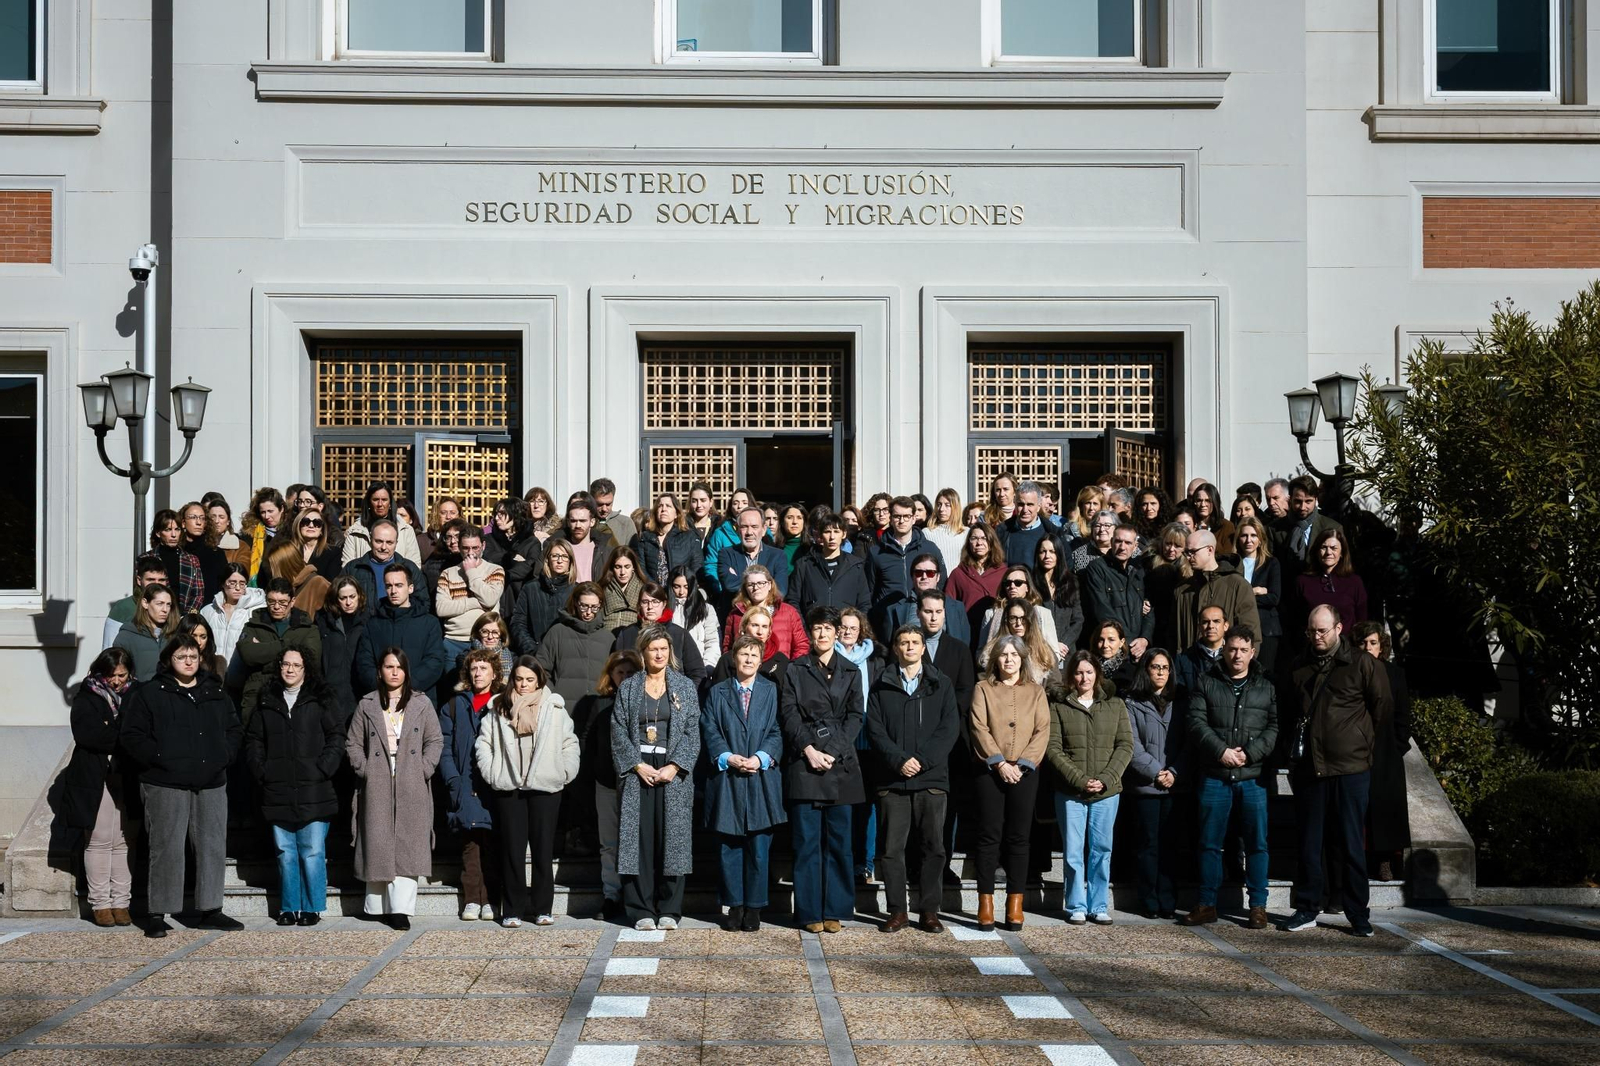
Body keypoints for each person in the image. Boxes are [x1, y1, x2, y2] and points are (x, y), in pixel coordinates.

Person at [119, 636, 245, 938]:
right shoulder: (151, 692)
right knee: (166, 846)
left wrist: (223, 756)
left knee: (212, 845)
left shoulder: (214, 691)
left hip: (210, 780)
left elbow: (233, 729)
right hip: (165, 782)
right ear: (169, 660)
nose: (188, 661)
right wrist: (158, 759)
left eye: (193, 656)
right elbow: (133, 735)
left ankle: (211, 909)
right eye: (181, 656)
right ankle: (157, 912)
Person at [1285, 605, 1392, 937]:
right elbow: (1291, 711)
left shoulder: (1362, 664)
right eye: (1311, 631)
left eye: (1322, 630)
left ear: (1338, 629)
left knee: (1351, 844)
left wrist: (1360, 744)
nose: (1316, 636)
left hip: (1350, 768)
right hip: (1311, 768)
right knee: (1309, 843)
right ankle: (1306, 907)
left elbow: (1382, 708)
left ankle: (1358, 913)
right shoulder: (1299, 665)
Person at [1182, 626, 1277, 929]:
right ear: (1224, 650)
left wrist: (1249, 754)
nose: (1237, 655)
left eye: (1243, 650)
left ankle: (1258, 906)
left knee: (1257, 844)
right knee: (1209, 843)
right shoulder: (1206, 681)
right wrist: (1220, 751)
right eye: (1232, 649)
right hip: (1215, 775)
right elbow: (1196, 722)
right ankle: (1206, 903)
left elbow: (1273, 727)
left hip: (1252, 777)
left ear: (1253, 652)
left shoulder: (1266, 686)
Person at [867, 625, 960, 934]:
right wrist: (899, 760)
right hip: (892, 780)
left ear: (923, 648)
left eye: (915, 642)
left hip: (931, 779)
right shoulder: (881, 684)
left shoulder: (941, 683)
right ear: (896, 648)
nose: (909, 647)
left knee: (934, 847)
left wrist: (922, 760)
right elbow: (875, 729)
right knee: (892, 849)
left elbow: (949, 728)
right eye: (903, 642)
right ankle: (897, 911)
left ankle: (929, 911)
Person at [780, 606, 866, 934]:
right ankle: (809, 911)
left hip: (840, 763)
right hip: (805, 763)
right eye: (817, 628)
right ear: (810, 633)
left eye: (828, 628)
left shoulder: (851, 670)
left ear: (837, 632)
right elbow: (788, 713)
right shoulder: (795, 669)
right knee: (807, 843)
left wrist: (830, 751)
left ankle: (835, 909)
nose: (822, 634)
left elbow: (856, 716)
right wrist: (809, 750)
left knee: (840, 843)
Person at [244, 647, 342, 927]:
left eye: (296, 665)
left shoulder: (320, 699)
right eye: (285, 664)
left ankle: (312, 907)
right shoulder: (267, 699)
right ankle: (289, 907)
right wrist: (262, 770)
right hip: (278, 788)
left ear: (305, 669)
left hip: (314, 788)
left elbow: (336, 735)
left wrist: (323, 767)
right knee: (285, 852)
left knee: (312, 850)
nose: (289, 670)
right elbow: (254, 740)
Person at [478, 655, 579, 928]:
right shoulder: (499, 706)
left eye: (530, 679)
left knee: (543, 850)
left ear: (539, 681)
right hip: (509, 787)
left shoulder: (554, 707)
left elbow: (569, 742)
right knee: (512, 850)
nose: (523, 684)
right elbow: (484, 743)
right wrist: (493, 773)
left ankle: (543, 908)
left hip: (545, 787)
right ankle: (513, 909)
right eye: (519, 679)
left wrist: (564, 772)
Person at [611, 626, 701, 930]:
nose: (659, 654)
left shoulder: (684, 686)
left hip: (671, 769)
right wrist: (636, 765)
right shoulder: (629, 688)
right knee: (638, 840)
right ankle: (641, 910)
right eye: (653, 649)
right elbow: (618, 731)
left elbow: (692, 731)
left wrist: (675, 766)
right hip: (638, 769)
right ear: (643, 652)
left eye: (664, 648)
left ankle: (669, 909)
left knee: (672, 839)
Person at [347, 647, 442, 930]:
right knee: (378, 839)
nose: (394, 672)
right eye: (389, 666)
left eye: (399, 667)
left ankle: (400, 909)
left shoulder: (421, 703)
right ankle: (377, 905)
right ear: (380, 671)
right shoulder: (367, 704)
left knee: (408, 842)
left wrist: (424, 768)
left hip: (411, 777)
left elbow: (435, 740)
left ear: (406, 671)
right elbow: (353, 742)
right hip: (377, 776)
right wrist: (364, 768)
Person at [701, 634, 787, 932]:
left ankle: (755, 907)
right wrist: (727, 756)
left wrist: (762, 757)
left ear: (761, 661)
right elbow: (709, 728)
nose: (748, 660)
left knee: (759, 848)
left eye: (754, 655)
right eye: (743, 654)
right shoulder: (718, 692)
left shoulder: (771, 690)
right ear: (734, 658)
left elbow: (777, 729)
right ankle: (734, 905)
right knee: (729, 847)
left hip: (761, 778)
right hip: (728, 778)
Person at [967, 635, 1050, 932]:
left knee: (1019, 838)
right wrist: (999, 762)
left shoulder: (1036, 692)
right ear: (996, 659)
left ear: (1022, 659)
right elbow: (978, 726)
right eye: (1004, 654)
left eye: (1014, 654)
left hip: (1025, 772)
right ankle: (986, 904)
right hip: (990, 771)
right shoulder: (983, 688)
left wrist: (1023, 764)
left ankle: (1015, 905)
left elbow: (1042, 729)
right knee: (989, 836)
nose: (1009, 659)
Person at [1046, 651, 1133, 926]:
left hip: (1107, 792)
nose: (1084, 678)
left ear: (1098, 674)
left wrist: (1106, 778)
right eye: (1079, 672)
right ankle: (1076, 905)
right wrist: (1080, 779)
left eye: (1089, 672)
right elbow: (1053, 748)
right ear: (1071, 675)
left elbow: (1125, 745)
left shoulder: (1115, 705)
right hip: (1071, 792)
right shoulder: (1059, 706)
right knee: (1073, 851)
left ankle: (1098, 905)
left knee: (1102, 850)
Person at [61, 648, 138, 926]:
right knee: (98, 839)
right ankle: (100, 903)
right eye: (110, 675)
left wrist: (119, 734)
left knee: (124, 840)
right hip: (94, 774)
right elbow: (89, 735)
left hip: (127, 774)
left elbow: (142, 730)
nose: (116, 681)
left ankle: (122, 902)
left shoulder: (137, 694)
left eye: (121, 675)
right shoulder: (86, 696)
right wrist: (124, 736)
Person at [439, 648, 503, 923]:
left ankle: (490, 899)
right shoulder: (454, 705)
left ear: (494, 674)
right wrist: (453, 779)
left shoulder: (504, 702)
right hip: (464, 782)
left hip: (494, 783)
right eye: (474, 668)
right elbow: (444, 746)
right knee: (470, 843)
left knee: (492, 843)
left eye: (484, 668)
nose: (478, 673)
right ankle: (472, 899)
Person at [1123, 650, 1187, 920]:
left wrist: (1174, 772)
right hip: (1145, 786)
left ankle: (1168, 900)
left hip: (1174, 785)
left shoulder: (1182, 702)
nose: (1160, 672)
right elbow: (1131, 744)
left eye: (1165, 667)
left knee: (1170, 845)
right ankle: (1149, 900)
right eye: (1155, 667)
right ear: (1145, 670)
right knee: (1148, 845)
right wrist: (1156, 772)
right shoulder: (1131, 702)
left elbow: (1189, 743)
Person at [1351, 621, 1412, 882]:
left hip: (1386, 752)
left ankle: (1385, 861)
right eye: (1362, 642)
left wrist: (1396, 746)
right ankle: (1360, 862)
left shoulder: (1394, 674)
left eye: (1373, 643)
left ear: (1381, 646)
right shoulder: (1347, 673)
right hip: (1354, 750)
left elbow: (1403, 716)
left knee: (1386, 809)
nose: (1367, 647)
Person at [582, 650, 642, 918]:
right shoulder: (600, 705)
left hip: (638, 782)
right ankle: (611, 895)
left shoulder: (645, 701)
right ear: (611, 676)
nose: (625, 677)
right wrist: (594, 770)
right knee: (609, 842)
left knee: (637, 840)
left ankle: (636, 893)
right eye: (620, 672)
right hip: (606, 782)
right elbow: (587, 739)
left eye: (631, 672)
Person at [236, 578, 323, 723]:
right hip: (257, 693)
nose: (276, 607)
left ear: (292, 601)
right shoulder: (254, 625)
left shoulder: (307, 628)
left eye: (282, 602)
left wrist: (264, 656)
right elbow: (248, 654)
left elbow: (311, 661)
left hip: (295, 695)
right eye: (271, 601)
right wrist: (289, 646)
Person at [355, 565, 446, 696]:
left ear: (410, 588)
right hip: (382, 697)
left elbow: (434, 662)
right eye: (388, 586)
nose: (393, 591)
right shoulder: (373, 624)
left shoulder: (429, 623)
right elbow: (364, 663)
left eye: (399, 585)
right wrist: (383, 688)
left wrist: (406, 687)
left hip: (418, 697)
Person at [1174, 530, 1262, 653]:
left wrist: (1243, 660)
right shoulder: (1182, 590)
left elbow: (1250, 631)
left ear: (1210, 550)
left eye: (1193, 552)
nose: (1188, 557)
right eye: (1186, 553)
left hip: (1226, 661)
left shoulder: (1237, 585)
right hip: (1189, 661)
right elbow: (1174, 635)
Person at [866, 497, 940, 636]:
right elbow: (869, 591)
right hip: (887, 623)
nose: (902, 521)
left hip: (922, 618)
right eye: (897, 516)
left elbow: (940, 583)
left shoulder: (929, 549)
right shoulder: (877, 553)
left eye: (906, 516)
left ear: (914, 518)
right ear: (890, 518)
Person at [535, 583, 616, 709]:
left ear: (600, 605)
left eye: (594, 607)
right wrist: (553, 696)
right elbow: (541, 670)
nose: (588, 612)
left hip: (597, 711)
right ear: (576, 603)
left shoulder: (608, 638)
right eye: (584, 606)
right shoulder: (557, 632)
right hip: (562, 710)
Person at [436, 525, 506, 668]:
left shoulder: (495, 570)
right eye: (466, 548)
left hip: (486, 640)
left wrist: (471, 572)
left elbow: (489, 600)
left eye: (475, 548)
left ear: (483, 546)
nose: (470, 553)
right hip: (454, 641)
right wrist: (474, 602)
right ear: (459, 547)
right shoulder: (447, 574)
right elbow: (442, 609)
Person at [1082, 523, 1153, 661]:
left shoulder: (1140, 570)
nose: (1122, 547)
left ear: (1135, 546)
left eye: (1128, 543)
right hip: (1110, 650)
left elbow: (1150, 609)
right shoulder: (1097, 568)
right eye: (1118, 541)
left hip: (1139, 651)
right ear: (1111, 542)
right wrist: (1130, 642)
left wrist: (1145, 639)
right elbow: (1102, 609)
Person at [612, 582, 707, 682]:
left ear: (664, 604)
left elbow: (697, 672)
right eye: (645, 602)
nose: (650, 607)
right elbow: (615, 670)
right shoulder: (627, 634)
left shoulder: (680, 634)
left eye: (655, 601)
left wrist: (685, 691)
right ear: (639, 604)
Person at [787, 511, 872, 617]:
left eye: (836, 531)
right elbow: (793, 600)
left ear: (844, 534)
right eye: (827, 532)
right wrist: (803, 625)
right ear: (820, 535)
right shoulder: (804, 565)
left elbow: (864, 603)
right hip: (813, 625)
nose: (832, 537)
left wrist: (853, 624)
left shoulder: (855, 566)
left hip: (844, 626)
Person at [341, 518, 431, 612]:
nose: (383, 547)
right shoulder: (353, 568)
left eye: (389, 542)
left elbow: (423, 602)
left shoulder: (409, 568)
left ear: (396, 543)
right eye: (379, 541)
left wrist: (403, 616)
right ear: (370, 540)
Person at [1293, 528, 1369, 635]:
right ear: (1317, 551)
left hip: (1347, 643)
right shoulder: (1302, 582)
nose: (1328, 552)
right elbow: (1295, 619)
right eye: (1323, 547)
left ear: (1342, 552)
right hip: (1312, 642)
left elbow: (1362, 620)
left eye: (1334, 548)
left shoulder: (1354, 582)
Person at [883, 553, 970, 646]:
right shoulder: (894, 610)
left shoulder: (956, 608)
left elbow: (964, 645)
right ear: (912, 576)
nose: (924, 577)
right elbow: (888, 647)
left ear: (938, 577)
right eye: (919, 573)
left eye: (930, 573)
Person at [722, 565, 809, 657]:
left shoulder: (789, 612)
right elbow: (728, 648)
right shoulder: (735, 615)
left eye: (761, 583)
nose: (756, 588)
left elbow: (801, 645)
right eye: (751, 584)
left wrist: (791, 665)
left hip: (782, 665)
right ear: (745, 588)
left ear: (770, 585)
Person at [315, 576, 368, 723]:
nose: (348, 602)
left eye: (352, 597)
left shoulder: (368, 621)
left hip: (359, 693)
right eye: (343, 598)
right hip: (330, 694)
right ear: (335, 599)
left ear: (359, 596)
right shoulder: (323, 622)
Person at [1233, 516, 1283, 672]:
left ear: (1260, 539)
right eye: (1244, 535)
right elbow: (1232, 597)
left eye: (1253, 535)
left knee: (1264, 673)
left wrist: (1244, 596)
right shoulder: (1232, 564)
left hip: (1266, 629)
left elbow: (1274, 598)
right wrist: (1254, 591)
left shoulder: (1271, 563)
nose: (1249, 540)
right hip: (1239, 627)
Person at [509, 538, 574, 655]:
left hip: (565, 655)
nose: (560, 561)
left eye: (564, 556)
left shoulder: (576, 591)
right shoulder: (530, 588)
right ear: (547, 559)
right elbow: (518, 623)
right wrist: (532, 650)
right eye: (555, 556)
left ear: (570, 561)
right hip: (534, 654)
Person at [976, 568, 1060, 655]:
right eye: (1008, 583)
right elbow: (982, 651)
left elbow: (1054, 652)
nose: (1012, 586)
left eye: (1018, 583)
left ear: (1027, 587)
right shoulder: (991, 614)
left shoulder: (1043, 613)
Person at [716, 505, 791, 602]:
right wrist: (764, 585)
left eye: (754, 527)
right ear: (738, 530)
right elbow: (729, 585)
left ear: (764, 530)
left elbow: (780, 590)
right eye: (744, 527)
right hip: (736, 609)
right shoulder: (726, 554)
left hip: (767, 610)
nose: (749, 532)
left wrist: (743, 582)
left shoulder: (778, 556)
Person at [978, 596, 1059, 683]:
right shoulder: (992, 650)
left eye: (1023, 619)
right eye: (1013, 618)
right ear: (1006, 621)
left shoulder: (1044, 651)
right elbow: (985, 682)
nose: (1018, 623)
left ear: (1031, 621)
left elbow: (1054, 684)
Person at [341, 482, 423, 567]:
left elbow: (414, 566)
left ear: (390, 503)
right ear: (369, 502)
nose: (380, 504)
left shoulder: (405, 530)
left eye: (384, 500)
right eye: (375, 500)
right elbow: (347, 567)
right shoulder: (355, 532)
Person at [632, 493, 704, 589]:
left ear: (676, 514)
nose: (663, 509)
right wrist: (655, 589)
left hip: (681, 591)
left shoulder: (689, 537)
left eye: (668, 506)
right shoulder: (645, 538)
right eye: (660, 506)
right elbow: (641, 568)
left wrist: (682, 587)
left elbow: (696, 565)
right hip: (653, 592)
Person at [1276, 474, 1344, 574]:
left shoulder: (1332, 527)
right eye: (1298, 501)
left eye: (1308, 501)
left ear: (1316, 499)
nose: (1302, 507)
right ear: (1290, 499)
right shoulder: (1274, 529)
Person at [484, 497, 542, 610]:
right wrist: (512, 558)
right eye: (496, 514)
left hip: (519, 601)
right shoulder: (488, 539)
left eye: (502, 513)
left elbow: (530, 568)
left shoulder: (531, 542)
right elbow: (487, 561)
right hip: (493, 601)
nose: (496, 518)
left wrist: (505, 572)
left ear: (516, 515)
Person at [104, 554, 172, 650]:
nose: (156, 584)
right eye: (151, 580)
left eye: (161, 580)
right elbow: (109, 648)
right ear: (139, 580)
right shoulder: (123, 608)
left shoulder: (171, 607)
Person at [1142, 523, 1190, 655]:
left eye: (1177, 546)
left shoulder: (1190, 569)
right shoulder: (1148, 562)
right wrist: (1142, 601)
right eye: (1168, 544)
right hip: (1154, 625)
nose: (1171, 549)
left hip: (1178, 626)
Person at [1033, 536, 1083, 659]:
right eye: (1043, 551)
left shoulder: (1071, 582)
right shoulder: (1031, 583)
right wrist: (1052, 644)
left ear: (1059, 554)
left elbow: (1078, 619)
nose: (1047, 556)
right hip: (1040, 650)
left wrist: (1063, 643)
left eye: (1052, 551)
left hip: (1066, 650)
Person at [114, 584, 176, 682]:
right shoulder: (126, 637)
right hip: (139, 690)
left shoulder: (174, 635)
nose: (165, 610)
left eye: (168, 604)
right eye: (160, 604)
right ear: (145, 603)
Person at [149, 508, 206, 613]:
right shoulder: (147, 559)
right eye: (168, 530)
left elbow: (198, 594)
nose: (173, 535)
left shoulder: (191, 560)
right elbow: (142, 592)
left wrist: (186, 616)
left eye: (177, 529)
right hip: (154, 615)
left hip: (183, 616)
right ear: (158, 533)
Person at [995, 482, 1060, 572]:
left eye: (1030, 504)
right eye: (1021, 504)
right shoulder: (1002, 532)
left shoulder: (1052, 533)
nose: (1025, 510)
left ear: (1038, 506)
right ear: (1015, 504)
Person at [234, 487, 288, 586]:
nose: (266, 516)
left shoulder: (291, 532)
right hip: (259, 587)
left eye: (270, 511)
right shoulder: (250, 534)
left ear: (281, 509)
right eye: (263, 512)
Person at [668, 566, 720, 669]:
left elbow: (712, 641)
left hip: (699, 667)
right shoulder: (664, 607)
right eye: (677, 587)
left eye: (686, 587)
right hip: (671, 667)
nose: (681, 592)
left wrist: (708, 666)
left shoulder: (706, 609)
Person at [554, 496, 614, 584]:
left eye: (582, 521)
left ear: (592, 522)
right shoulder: (559, 550)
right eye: (573, 521)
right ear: (568, 522)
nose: (578, 525)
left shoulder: (605, 551)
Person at [179, 500, 231, 602]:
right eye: (193, 517)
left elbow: (222, 588)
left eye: (202, 518)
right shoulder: (177, 551)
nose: (198, 522)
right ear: (183, 523)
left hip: (208, 608)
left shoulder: (216, 553)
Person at [1174, 606, 1231, 695]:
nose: (1211, 626)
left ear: (1226, 626)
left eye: (1216, 621)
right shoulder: (1184, 659)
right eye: (1205, 622)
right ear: (1199, 627)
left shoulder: (1236, 657)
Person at [1090, 620, 1142, 696]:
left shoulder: (1130, 672)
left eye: (1111, 640)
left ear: (1121, 642)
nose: (1105, 645)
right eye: (1101, 640)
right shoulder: (1087, 668)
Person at [598, 546, 644, 631]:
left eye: (627, 567)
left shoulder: (642, 588)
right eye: (618, 567)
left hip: (633, 633)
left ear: (633, 567)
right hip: (608, 632)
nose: (622, 572)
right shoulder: (603, 587)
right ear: (612, 568)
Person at [922, 488, 967, 573]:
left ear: (955, 507)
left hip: (961, 579)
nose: (941, 509)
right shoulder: (927, 533)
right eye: (939, 504)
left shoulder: (966, 532)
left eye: (947, 505)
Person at [174, 612, 228, 680]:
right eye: (193, 636)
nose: (198, 642)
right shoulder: (171, 662)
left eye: (203, 637)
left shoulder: (218, 663)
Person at [590, 477, 638, 550]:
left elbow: (634, 552)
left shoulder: (626, 523)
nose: (604, 509)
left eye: (608, 504)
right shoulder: (583, 522)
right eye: (599, 504)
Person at [1189, 482, 1237, 556]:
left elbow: (1228, 555)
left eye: (1207, 500)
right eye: (1199, 500)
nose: (1203, 504)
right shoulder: (1190, 523)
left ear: (1215, 502)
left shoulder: (1227, 526)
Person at [470, 611, 516, 681]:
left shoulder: (513, 658)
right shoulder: (467, 657)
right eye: (485, 632)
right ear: (477, 633)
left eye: (495, 632)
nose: (490, 637)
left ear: (501, 634)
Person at [1071, 510, 1120, 574]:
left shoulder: (1124, 551)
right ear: (1092, 529)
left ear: (1116, 528)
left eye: (1107, 525)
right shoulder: (1078, 555)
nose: (1102, 529)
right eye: (1097, 526)